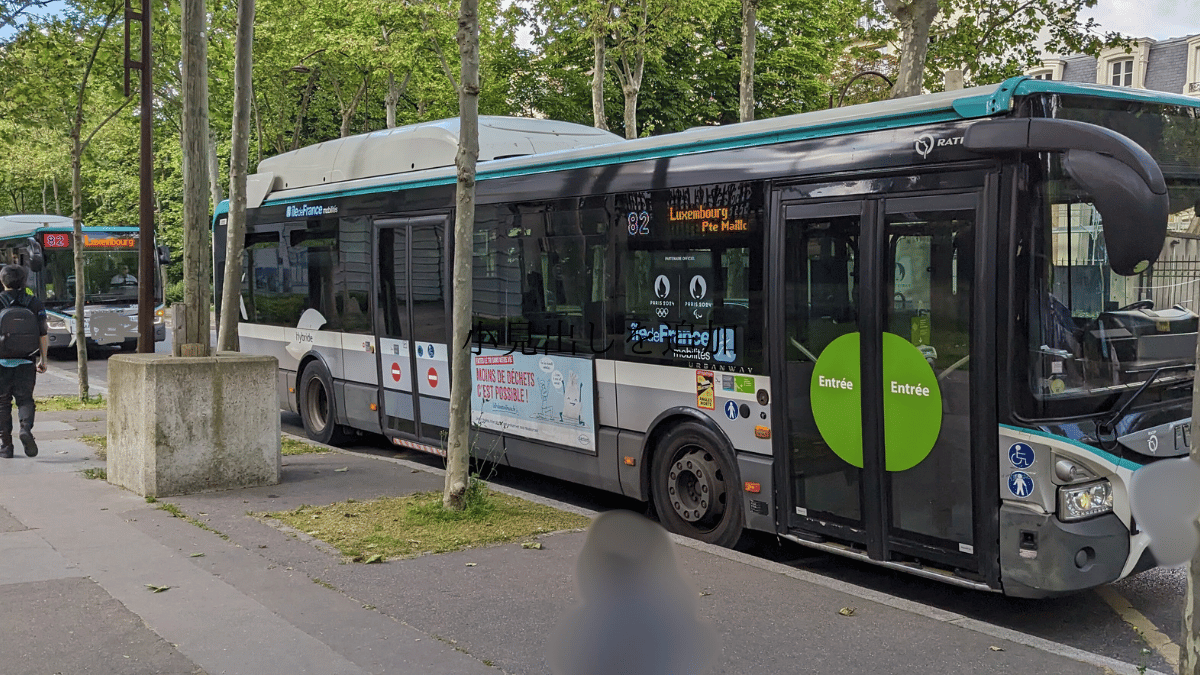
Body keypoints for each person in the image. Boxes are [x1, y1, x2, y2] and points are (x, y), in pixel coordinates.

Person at [0, 265, 48, 458]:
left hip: (1, 361)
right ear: (24, 281)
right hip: (27, 360)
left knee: (2, 403)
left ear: (3, 282)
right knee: (25, 399)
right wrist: (43, 359)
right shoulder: (34, 303)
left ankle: (5, 447)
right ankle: (25, 429)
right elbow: (43, 334)